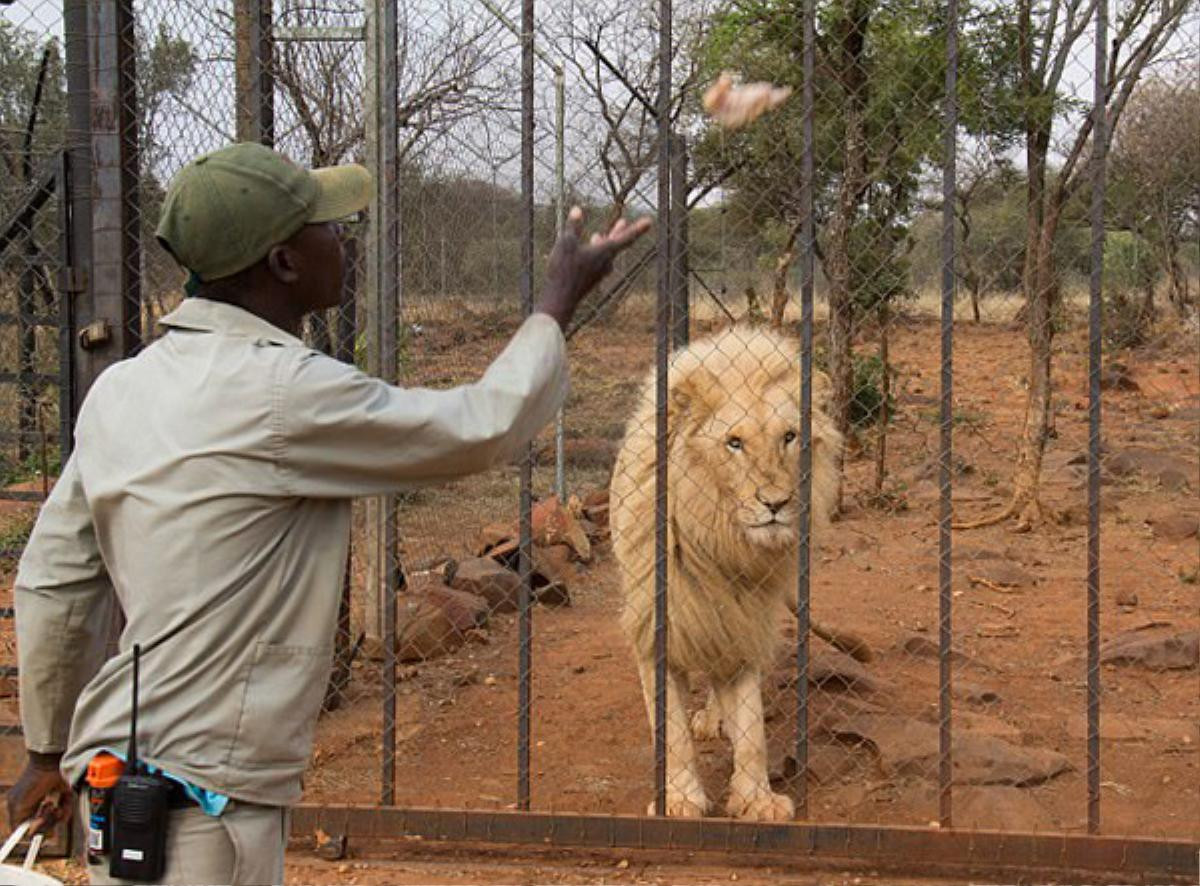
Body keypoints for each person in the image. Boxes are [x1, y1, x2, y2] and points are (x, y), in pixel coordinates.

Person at [5, 141, 650, 884]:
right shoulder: (285, 392)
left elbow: (54, 579)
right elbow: (480, 427)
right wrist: (555, 305)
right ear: (282, 263)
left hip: (119, 769)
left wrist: (45, 754)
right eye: (327, 228)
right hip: (205, 799)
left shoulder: (123, 389)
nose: (345, 239)